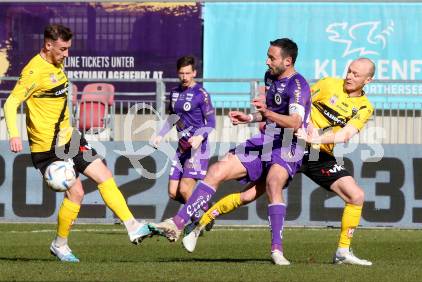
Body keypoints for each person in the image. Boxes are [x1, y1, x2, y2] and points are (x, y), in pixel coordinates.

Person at [182, 58, 375, 266]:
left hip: (319, 154)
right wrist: (261, 115)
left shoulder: (365, 107)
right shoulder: (329, 84)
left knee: (356, 196)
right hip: (292, 144)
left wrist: (314, 138)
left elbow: (346, 134)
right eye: (349, 71)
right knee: (249, 195)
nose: (349, 76)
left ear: (368, 80)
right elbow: (298, 106)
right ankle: (200, 224)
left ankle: (343, 252)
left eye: (356, 74)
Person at [150, 38, 311, 265]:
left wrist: (267, 112)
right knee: (217, 170)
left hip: (289, 143)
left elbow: (294, 122)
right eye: (267, 56)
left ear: (288, 61)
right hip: (266, 139)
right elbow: (268, 114)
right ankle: (177, 224)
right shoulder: (270, 77)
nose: (266, 61)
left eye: (271, 58)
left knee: (272, 184)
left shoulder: (298, 85)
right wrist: (250, 118)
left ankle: (276, 250)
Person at [3, 24, 154, 263]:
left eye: (68, 49)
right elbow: (10, 103)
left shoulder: (57, 62)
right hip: (48, 147)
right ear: (48, 45)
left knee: (104, 175)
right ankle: (59, 245)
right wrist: (14, 134)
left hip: (69, 137)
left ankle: (132, 225)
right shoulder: (33, 72)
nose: (66, 54)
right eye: (63, 49)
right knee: (78, 192)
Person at [151, 56, 216, 226]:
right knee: (173, 193)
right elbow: (173, 117)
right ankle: (205, 206)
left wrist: (200, 136)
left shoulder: (201, 94)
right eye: (181, 73)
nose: (185, 77)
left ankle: (200, 221)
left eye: (188, 73)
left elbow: (211, 122)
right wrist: (160, 134)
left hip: (197, 149)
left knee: (185, 189)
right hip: (181, 149)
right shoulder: (174, 93)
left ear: (194, 73)